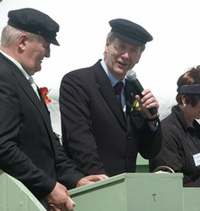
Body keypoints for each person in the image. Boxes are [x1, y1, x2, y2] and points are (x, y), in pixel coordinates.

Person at [0, 8, 107, 211]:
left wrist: (76, 180)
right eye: (45, 46)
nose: (48, 54)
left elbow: (49, 145)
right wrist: (48, 186)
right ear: (22, 41)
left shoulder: (15, 77)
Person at [59, 18, 162, 177]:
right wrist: (105, 184)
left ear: (139, 57)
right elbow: (80, 142)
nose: (126, 55)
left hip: (126, 190)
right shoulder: (78, 82)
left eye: (133, 50)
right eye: (121, 47)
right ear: (108, 45)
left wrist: (152, 121)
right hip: (94, 186)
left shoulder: (133, 91)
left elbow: (149, 152)